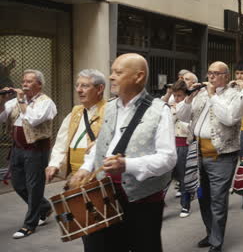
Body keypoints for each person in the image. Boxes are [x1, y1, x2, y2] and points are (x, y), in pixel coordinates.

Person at [72, 53, 177, 252]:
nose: (111, 77)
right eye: (112, 72)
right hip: (104, 194)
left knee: (144, 247)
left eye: (118, 72)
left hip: (142, 200)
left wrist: (127, 165)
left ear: (138, 77)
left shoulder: (159, 110)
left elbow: (168, 158)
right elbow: (100, 145)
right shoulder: (110, 107)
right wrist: (86, 167)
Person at [176, 61, 243, 252]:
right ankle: (211, 233)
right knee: (203, 197)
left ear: (226, 76)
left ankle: (217, 242)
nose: (210, 77)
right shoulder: (200, 93)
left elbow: (229, 118)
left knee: (218, 201)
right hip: (198, 154)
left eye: (216, 73)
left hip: (222, 157)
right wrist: (188, 97)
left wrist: (212, 95)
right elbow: (183, 116)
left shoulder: (234, 95)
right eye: (209, 72)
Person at [0, 69, 57, 239]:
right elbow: (2, 118)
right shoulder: (16, 102)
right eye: (23, 81)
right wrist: (2, 101)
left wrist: (21, 101)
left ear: (39, 84)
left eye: (29, 81)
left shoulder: (46, 103)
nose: (24, 84)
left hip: (36, 150)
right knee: (18, 184)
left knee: (34, 187)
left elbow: (33, 119)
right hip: (17, 149)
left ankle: (30, 224)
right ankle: (44, 207)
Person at [46, 69, 106, 181]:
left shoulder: (109, 111)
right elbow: (61, 142)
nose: (79, 90)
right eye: (77, 85)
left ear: (99, 89)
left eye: (85, 86)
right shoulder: (75, 112)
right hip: (74, 176)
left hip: (97, 175)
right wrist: (54, 164)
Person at [170, 80, 193, 218]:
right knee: (165, 177)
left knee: (185, 178)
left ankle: (185, 205)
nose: (177, 98)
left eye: (180, 96)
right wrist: (173, 112)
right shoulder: (171, 107)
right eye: (175, 95)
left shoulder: (190, 107)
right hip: (172, 144)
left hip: (184, 145)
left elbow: (190, 128)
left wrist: (179, 113)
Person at [231, 61, 243, 210]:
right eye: (237, 73)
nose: (239, 76)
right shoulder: (231, 88)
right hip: (232, 131)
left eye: (242, 73)